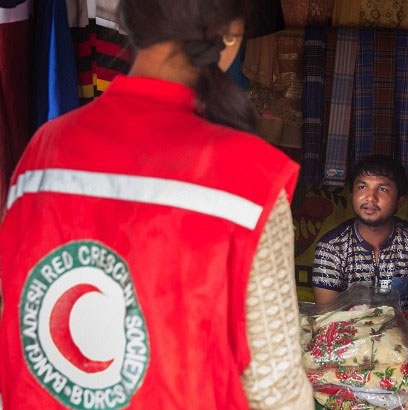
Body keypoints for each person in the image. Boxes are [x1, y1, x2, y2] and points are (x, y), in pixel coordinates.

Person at [0, 0, 313, 408]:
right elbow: (276, 391)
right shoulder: (250, 180)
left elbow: (17, 321)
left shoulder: (44, 152)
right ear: (231, 33)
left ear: (129, 21)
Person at [311, 155, 408, 331]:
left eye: (382, 189)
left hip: (404, 343)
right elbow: (327, 321)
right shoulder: (331, 248)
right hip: (349, 344)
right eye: (362, 187)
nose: (370, 197)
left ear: (400, 201)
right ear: (352, 193)